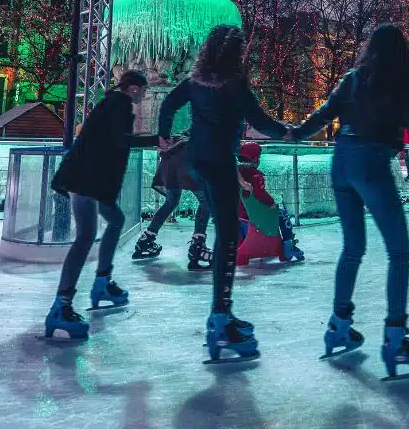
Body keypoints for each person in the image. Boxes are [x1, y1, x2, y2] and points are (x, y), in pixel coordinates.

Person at [293, 24, 409, 375]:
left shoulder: (354, 77)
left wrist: (293, 133)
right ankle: (396, 338)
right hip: (371, 163)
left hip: (341, 164)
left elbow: (325, 113)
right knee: (398, 253)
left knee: (353, 248)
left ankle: (339, 325)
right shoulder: (398, 81)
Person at [157, 25, 289, 362]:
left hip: (197, 159)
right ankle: (220, 317)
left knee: (223, 229)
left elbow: (168, 105)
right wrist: (288, 132)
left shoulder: (195, 83)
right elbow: (260, 119)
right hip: (218, 162)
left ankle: (222, 314)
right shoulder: (235, 84)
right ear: (235, 54)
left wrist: (163, 136)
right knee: (229, 237)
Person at [44, 70, 152, 340]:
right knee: (86, 236)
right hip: (84, 179)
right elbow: (119, 141)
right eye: (144, 90)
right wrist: (155, 140)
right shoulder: (119, 103)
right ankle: (62, 304)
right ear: (135, 88)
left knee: (115, 220)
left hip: (91, 179)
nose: (145, 95)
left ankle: (102, 281)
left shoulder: (114, 102)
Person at [133, 135, 214, 271]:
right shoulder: (208, 127)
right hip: (187, 163)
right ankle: (198, 246)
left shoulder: (182, 135)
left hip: (168, 165)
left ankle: (146, 240)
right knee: (206, 202)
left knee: (171, 201)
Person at [235, 141, 303, 262]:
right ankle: (288, 243)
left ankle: (240, 252)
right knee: (282, 213)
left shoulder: (236, 176)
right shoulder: (255, 176)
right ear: (254, 159)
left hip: (238, 217)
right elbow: (261, 194)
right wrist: (272, 203)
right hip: (255, 217)